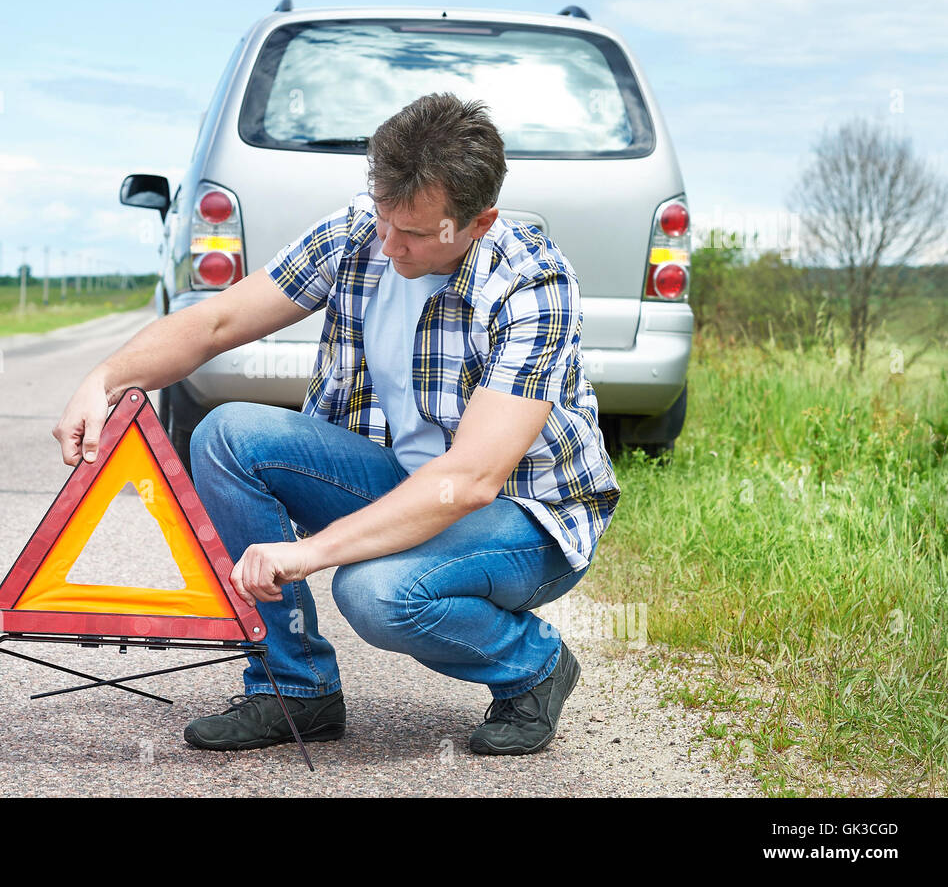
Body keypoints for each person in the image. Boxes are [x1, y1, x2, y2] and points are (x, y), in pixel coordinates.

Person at [52, 92, 621, 756]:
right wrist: (105, 377)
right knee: (226, 435)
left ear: (478, 221)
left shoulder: (532, 283)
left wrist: (311, 553)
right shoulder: (358, 233)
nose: (388, 243)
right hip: (400, 481)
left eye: (412, 232)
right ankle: (295, 689)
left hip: (523, 516)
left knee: (376, 592)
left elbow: (469, 479)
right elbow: (218, 321)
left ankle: (534, 666)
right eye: (383, 216)